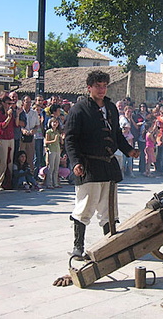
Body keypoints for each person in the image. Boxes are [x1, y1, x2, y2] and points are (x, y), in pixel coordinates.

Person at [64, 70, 139, 260]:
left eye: (104, 85)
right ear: (89, 87)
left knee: (109, 210)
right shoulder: (79, 109)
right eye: (98, 86)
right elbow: (70, 139)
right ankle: (78, 247)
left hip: (108, 167)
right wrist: (76, 162)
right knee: (85, 208)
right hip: (88, 166)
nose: (102, 89)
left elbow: (117, 136)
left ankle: (110, 245)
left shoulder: (111, 108)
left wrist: (129, 150)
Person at [0, 96, 17, 190]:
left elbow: (16, 125)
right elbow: (2, 126)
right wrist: (8, 117)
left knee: (9, 162)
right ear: (3, 103)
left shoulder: (11, 113)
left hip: (10, 138)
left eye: (11, 104)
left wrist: (17, 115)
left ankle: (7, 183)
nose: (9, 106)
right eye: (8, 103)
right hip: (2, 138)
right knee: (2, 162)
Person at [44, 117, 63, 189]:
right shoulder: (48, 131)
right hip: (51, 150)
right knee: (51, 167)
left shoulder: (57, 132)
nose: (55, 124)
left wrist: (61, 138)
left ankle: (56, 183)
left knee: (56, 167)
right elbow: (46, 141)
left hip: (57, 150)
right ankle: (49, 183)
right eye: (53, 122)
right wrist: (54, 140)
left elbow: (61, 142)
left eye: (56, 122)